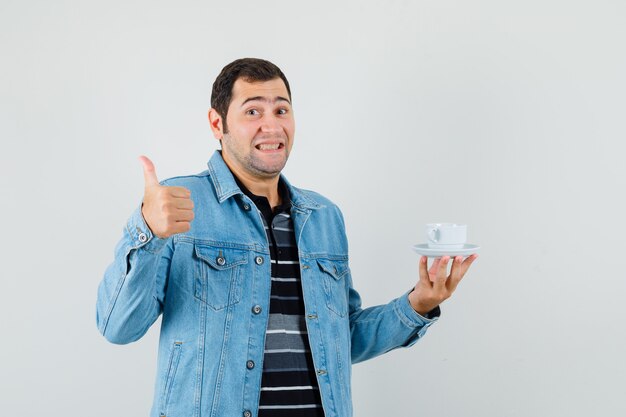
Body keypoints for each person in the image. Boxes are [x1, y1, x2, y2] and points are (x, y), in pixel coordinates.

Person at [96, 57, 478, 417]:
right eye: (252, 111)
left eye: (281, 109)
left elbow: (342, 340)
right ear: (217, 125)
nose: (272, 125)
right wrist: (146, 230)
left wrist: (420, 304)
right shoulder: (177, 204)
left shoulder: (324, 217)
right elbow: (118, 327)